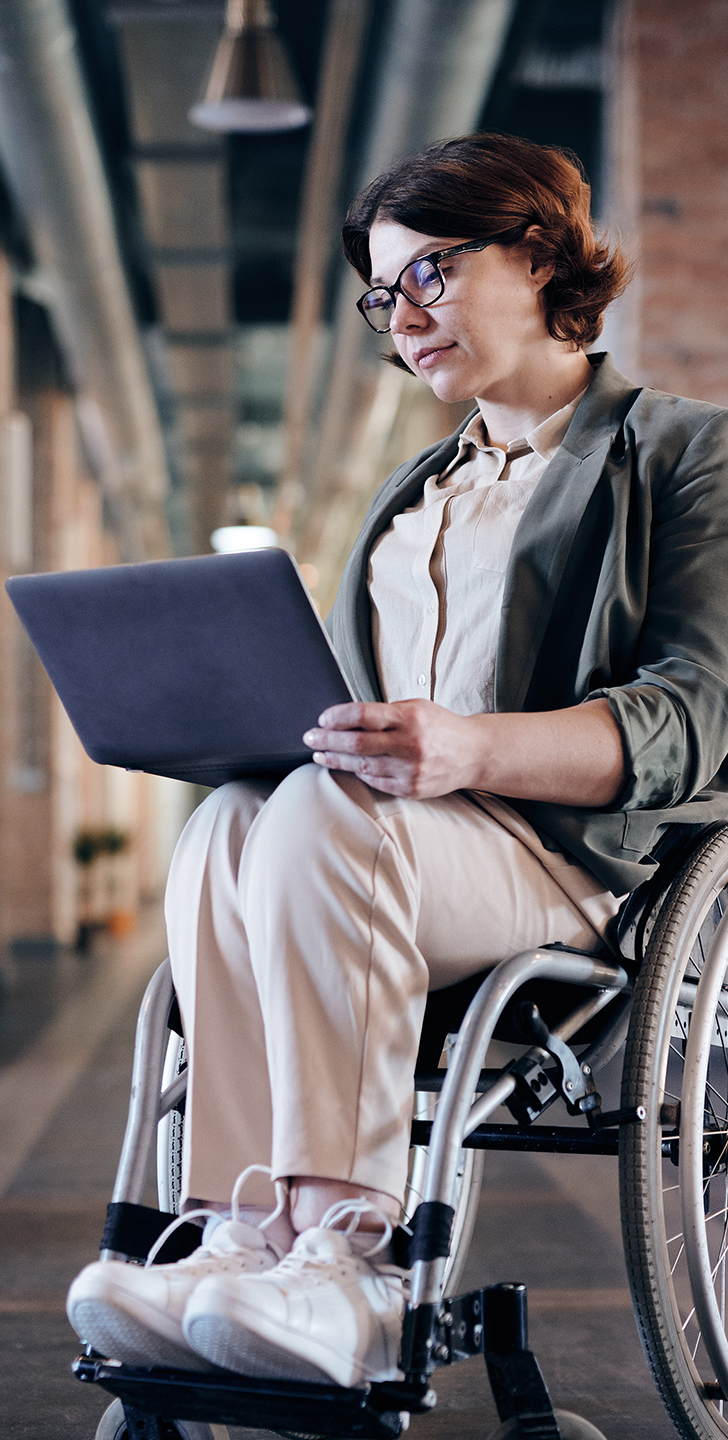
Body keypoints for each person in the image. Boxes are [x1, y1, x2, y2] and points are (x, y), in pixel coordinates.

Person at [67, 131, 728, 1389]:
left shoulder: (682, 453)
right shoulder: (409, 495)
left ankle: (347, 1256)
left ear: (536, 253)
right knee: (229, 820)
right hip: (393, 854)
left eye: (429, 272)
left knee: (328, 817)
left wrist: (461, 746)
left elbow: (690, 717)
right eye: (384, 293)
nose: (402, 314)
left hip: (572, 863)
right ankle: (239, 1230)